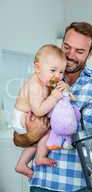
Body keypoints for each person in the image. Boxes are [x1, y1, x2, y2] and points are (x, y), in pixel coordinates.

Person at [14, 22, 92, 192]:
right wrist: (32, 134)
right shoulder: (42, 79)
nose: (70, 55)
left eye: (79, 51)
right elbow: (17, 137)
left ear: (90, 53)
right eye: (67, 47)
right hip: (42, 183)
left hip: (81, 185)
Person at [13, 44, 68, 178]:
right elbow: (38, 111)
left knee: (38, 138)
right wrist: (54, 96)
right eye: (53, 70)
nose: (58, 76)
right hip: (23, 118)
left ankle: (21, 164)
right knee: (48, 130)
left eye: (61, 72)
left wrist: (62, 88)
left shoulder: (44, 80)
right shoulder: (35, 84)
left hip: (23, 117)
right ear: (37, 68)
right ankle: (40, 157)